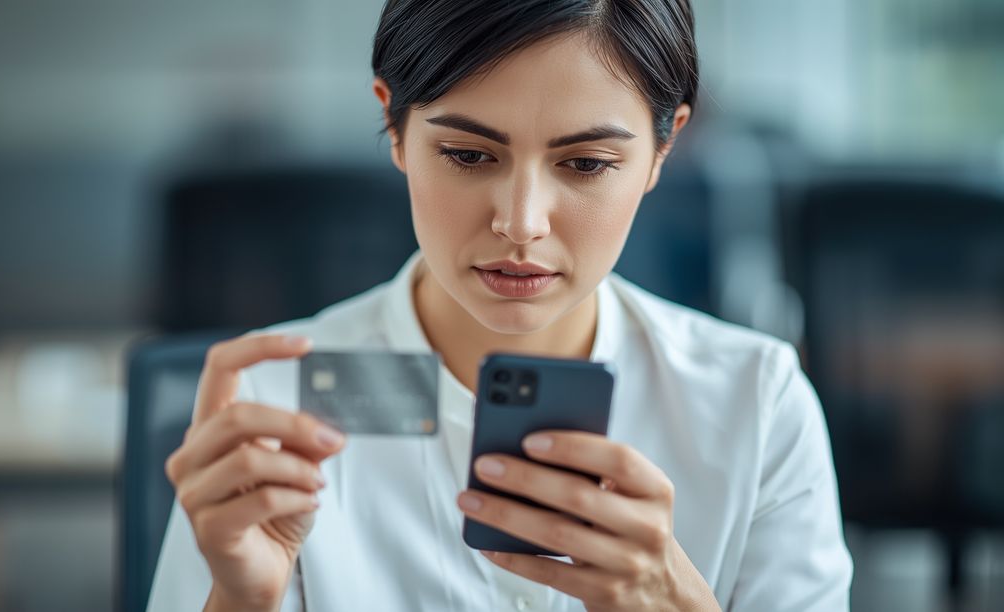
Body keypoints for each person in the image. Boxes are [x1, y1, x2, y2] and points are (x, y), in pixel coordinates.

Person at [147, 1, 853, 610]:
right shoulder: (274, 405)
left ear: (663, 151)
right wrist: (240, 602)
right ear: (394, 128)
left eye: (584, 164)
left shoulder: (756, 406)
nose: (522, 223)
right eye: (468, 154)